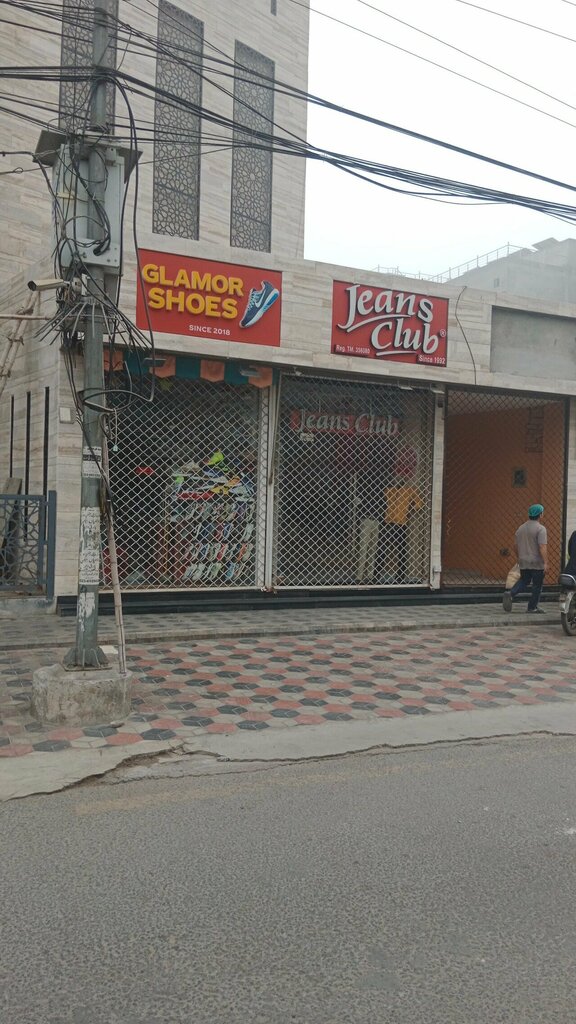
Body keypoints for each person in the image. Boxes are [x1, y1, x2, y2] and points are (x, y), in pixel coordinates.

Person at [503, 503, 548, 614]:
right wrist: (546, 562)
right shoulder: (541, 529)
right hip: (537, 562)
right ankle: (532, 607)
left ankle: (511, 593)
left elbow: (515, 546)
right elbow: (542, 546)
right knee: (537, 586)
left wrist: (519, 557)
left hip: (523, 560)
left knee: (524, 580)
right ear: (540, 514)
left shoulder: (520, 528)